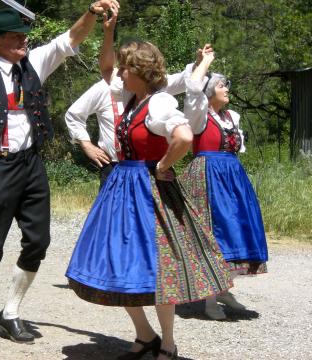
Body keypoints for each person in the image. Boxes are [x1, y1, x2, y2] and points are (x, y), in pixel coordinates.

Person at [0, 2, 120, 346]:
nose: (24, 41)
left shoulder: (34, 63)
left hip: (31, 164)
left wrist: (91, 13)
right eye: (17, 37)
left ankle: (10, 313)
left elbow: (70, 39)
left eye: (25, 36)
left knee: (38, 242)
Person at [65, 13, 232, 360]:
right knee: (120, 262)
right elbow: (105, 65)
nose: (120, 73)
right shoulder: (131, 97)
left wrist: (164, 165)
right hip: (123, 187)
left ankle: (167, 344)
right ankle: (144, 335)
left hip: (150, 191)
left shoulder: (157, 102)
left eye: (126, 68)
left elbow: (184, 136)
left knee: (161, 268)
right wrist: (109, 30)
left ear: (139, 72)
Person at [180, 52, 268, 320]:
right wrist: (202, 64)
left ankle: (224, 288)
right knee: (212, 231)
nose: (226, 89)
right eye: (221, 85)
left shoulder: (233, 117)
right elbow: (192, 90)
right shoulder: (198, 115)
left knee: (234, 229)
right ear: (208, 92)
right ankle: (209, 298)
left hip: (231, 176)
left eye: (226, 85)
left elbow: (237, 147)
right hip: (206, 176)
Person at [64, 64, 196, 187]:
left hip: (148, 168)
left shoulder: (154, 87)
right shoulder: (104, 87)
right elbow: (74, 114)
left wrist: (199, 64)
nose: (119, 75)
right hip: (112, 165)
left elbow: (183, 80)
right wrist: (86, 145)